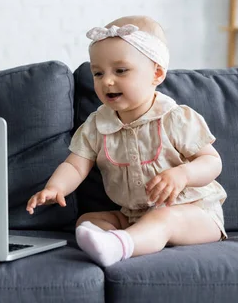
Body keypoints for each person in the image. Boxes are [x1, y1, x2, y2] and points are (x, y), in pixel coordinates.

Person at [26, 16, 227, 267]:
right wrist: (55, 187)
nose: (107, 81)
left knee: (163, 218)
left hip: (194, 213)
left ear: (156, 73)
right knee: (88, 222)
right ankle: (114, 240)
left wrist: (183, 175)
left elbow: (211, 161)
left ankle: (120, 246)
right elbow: (76, 165)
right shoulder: (97, 125)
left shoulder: (174, 118)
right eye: (98, 73)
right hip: (134, 216)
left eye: (120, 70)